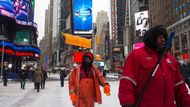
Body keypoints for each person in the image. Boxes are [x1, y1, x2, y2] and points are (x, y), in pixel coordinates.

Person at [118, 25, 190, 107]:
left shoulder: (171, 59)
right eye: (159, 37)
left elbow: (180, 88)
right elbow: (127, 81)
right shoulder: (137, 55)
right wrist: (127, 103)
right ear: (151, 38)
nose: (163, 40)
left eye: (164, 38)